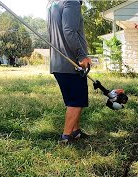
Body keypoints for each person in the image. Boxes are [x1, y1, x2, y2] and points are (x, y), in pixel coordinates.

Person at [48, 0, 92, 143]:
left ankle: (75, 132)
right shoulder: (72, 2)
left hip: (58, 62)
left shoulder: (53, 4)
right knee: (76, 101)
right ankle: (66, 137)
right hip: (71, 63)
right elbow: (68, 30)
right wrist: (81, 55)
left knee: (73, 100)